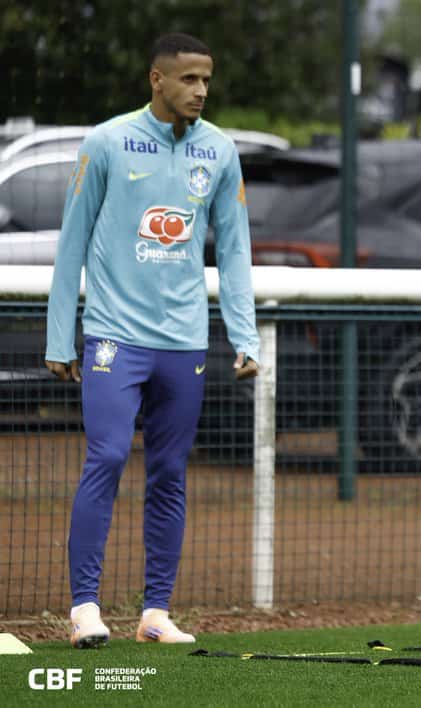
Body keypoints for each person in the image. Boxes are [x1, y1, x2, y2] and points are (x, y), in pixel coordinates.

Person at [45, 32, 260, 648]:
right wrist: (62, 336)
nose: (201, 91)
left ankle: (155, 613)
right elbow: (71, 244)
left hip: (185, 343)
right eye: (189, 79)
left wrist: (243, 335)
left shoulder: (219, 151)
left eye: (207, 80)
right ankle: (84, 607)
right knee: (107, 457)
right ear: (157, 80)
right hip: (114, 336)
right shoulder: (108, 141)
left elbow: (236, 248)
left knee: (169, 473)